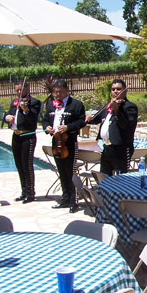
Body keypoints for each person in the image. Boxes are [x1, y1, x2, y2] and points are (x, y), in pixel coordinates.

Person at [42, 79, 85, 213]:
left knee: (70, 172)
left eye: (60, 92)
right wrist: (46, 127)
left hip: (69, 142)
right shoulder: (51, 105)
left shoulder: (76, 105)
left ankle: (73, 201)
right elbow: (44, 120)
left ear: (67, 90)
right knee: (62, 171)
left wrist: (68, 127)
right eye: (56, 92)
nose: (58, 94)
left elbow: (81, 121)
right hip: (56, 142)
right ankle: (65, 199)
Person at [86, 79, 138, 175]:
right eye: (113, 89)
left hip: (121, 149)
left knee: (120, 178)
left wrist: (117, 111)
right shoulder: (108, 106)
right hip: (107, 147)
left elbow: (126, 125)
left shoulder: (130, 107)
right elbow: (97, 118)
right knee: (105, 176)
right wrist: (89, 119)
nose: (115, 91)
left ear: (125, 91)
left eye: (118, 89)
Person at [4, 81, 41, 203]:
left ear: (27, 89)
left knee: (27, 165)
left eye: (21, 90)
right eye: (17, 90)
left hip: (27, 135)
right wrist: (7, 118)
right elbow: (8, 114)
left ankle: (30, 193)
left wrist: (26, 110)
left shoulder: (34, 102)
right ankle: (24, 191)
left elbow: (33, 119)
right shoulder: (14, 102)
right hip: (16, 135)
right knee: (19, 165)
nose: (19, 92)